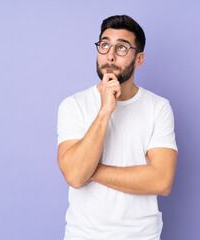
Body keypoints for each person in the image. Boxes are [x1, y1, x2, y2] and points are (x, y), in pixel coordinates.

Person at [57, 15, 178, 240]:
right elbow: (74, 176)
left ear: (139, 59)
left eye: (122, 47)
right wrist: (105, 111)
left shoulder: (158, 108)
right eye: (104, 45)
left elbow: (162, 181)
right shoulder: (73, 105)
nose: (110, 55)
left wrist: (90, 171)